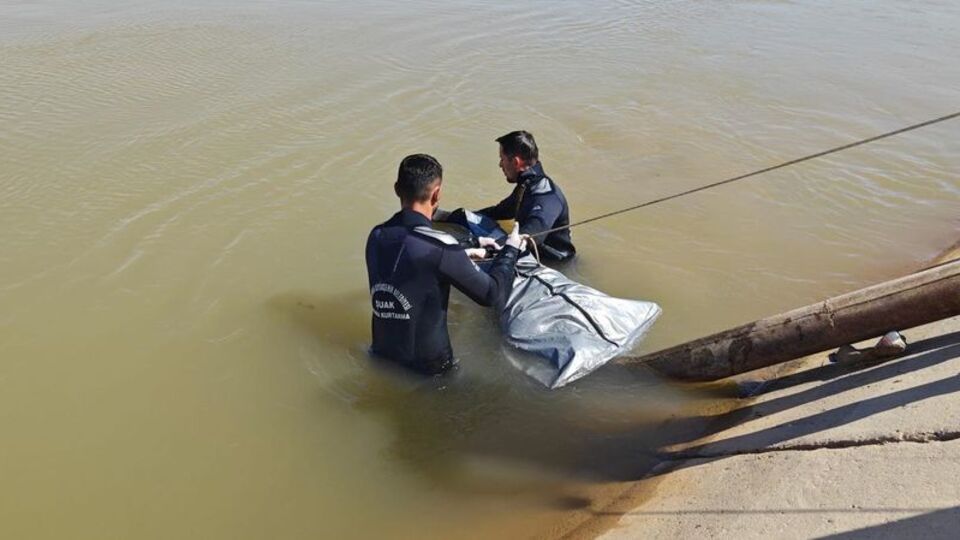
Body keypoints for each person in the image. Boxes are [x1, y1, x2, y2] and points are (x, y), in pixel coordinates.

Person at [365, 154, 523, 375]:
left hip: (382, 359)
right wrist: (511, 249)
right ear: (437, 193)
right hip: (431, 373)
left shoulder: (376, 235)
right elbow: (492, 294)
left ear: (396, 189)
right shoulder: (442, 248)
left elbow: (412, 264)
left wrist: (468, 249)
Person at [476, 130, 575, 262]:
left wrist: (483, 249)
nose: (500, 165)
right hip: (535, 255)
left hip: (556, 265)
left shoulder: (547, 197)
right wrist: (456, 216)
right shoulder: (527, 186)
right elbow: (500, 211)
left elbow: (529, 235)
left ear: (516, 162)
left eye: (502, 159)